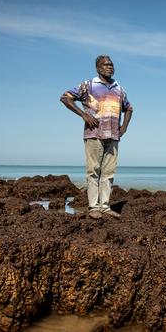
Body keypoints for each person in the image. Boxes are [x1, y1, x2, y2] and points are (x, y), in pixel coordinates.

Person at [60, 55, 133, 219]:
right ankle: (94, 207)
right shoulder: (88, 85)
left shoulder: (119, 88)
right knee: (93, 171)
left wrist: (124, 128)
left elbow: (129, 108)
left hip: (113, 136)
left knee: (108, 173)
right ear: (98, 68)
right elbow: (65, 97)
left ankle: (105, 207)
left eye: (112, 64)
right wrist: (83, 115)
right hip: (94, 134)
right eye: (106, 64)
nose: (110, 67)